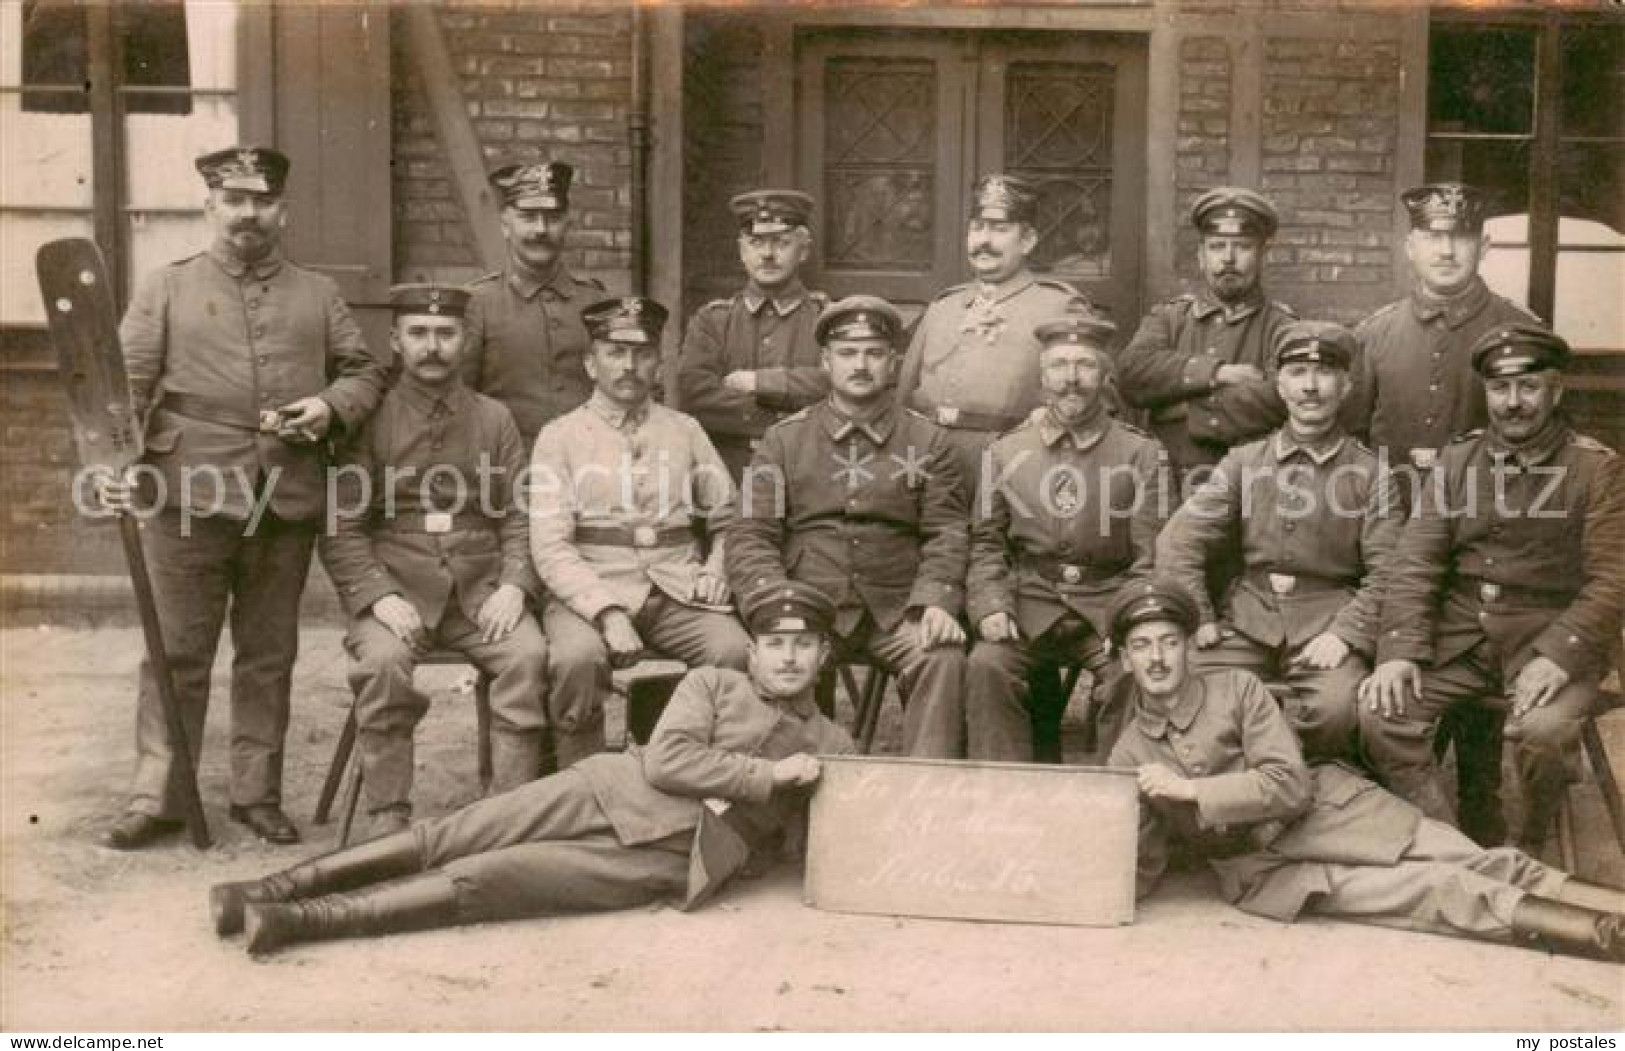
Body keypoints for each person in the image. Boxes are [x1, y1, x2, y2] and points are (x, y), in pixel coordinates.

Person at [208, 581, 857, 955]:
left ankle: (300, 922)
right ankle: (269, 888)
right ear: (753, 649)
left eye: (803, 645)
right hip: (607, 789)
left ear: (824, 654)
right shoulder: (713, 682)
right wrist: (768, 778)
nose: (789, 657)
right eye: (776, 643)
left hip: (673, 856)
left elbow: (846, 830)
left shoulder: (834, 741)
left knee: (489, 878)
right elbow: (667, 759)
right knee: (458, 832)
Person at [94, 145, 388, 849]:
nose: (247, 214)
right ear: (210, 207)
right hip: (186, 491)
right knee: (176, 650)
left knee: (267, 653)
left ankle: (256, 795)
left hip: (284, 493)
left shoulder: (317, 293)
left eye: (261, 201)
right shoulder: (165, 287)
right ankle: (158, 794)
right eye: (234, 200)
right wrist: (112, 462)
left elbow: (364, 372)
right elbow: (122, 389)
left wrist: (326, 405)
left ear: (281, 211)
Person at [1107, 580, 1625, 963]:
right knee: (1436, 892)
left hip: (1329, 813)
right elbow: (1140, 855)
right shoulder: (1129, 755)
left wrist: (1191, 790)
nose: (1157, 659)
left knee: (1481, 860)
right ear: (1126, 660)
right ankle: (1606, 939)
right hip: (1269, 869)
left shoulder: (1238, 689)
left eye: (1169, 642)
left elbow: (1289, 786)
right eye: (1142, 646)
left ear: (1188, 647)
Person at [1361, 323, 1625, 851]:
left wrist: (1558, 656)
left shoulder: (1596, 468)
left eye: (1528, 387)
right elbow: (1416, 562)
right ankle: (1451, 846)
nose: (1513, 402)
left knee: (1544, 735)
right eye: (1500, 388)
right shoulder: (1458, 461)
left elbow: (1612, 580)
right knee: (1379, 714)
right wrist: (1399, 651)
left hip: (1549, 643)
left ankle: (1524, 848)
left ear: (1555, 390)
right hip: (1460, 640)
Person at [1344, 182, 1539, 845]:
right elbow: (1352, 448)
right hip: (1396, 537)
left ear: (1481, 245)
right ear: (1410, 246)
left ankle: (1479, 795)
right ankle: (1411, 816)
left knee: (1476, 660)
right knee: (1398, 670)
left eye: (1459, 237)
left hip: (1489, 540)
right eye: (1433, 236)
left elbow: (1537, 448)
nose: (1446, 249)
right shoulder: (1373, 335)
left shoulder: (1518, 331)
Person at [319, 285, 548, 835]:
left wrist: (515, 585)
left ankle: (505, 814)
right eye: (418, 333)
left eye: (445, 334)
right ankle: (388, 816)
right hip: (397, 586)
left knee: (527, 656)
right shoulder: (368, 419)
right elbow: (341, 525)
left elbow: (519, 512)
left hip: (479, 589)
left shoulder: (494, 418)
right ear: (395, 342)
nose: (432, 346)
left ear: (465, 341)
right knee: (381, 664)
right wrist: (378, 596)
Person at [728, 296, 971, 758]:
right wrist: (776, 602)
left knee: (942, 659)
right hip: (806, 600)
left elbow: (948, 531)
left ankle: (927, 797)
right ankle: (794, 792)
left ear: (894, 362)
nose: (861, 365)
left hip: (898, 608)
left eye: (875, 352)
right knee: (783, 662)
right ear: (826, 361)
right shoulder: (785, 439)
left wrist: (935, 601)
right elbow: (751, 533)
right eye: (847, 353)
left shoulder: (928, 440)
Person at [1155, 321, 1398, 762]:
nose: (1310, 387)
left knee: (1336, 709)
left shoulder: (1372, 473)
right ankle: (1218, 800)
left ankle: (1313, 797)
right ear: (1281, 385)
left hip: (1326, 624)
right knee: (1179, 680)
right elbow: (1181, 539)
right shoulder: (1246, 461)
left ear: (1345, 386)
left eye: (1324, 374)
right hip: (1248, 619)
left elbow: (1389, 572)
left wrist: (1346, 634)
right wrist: (1198, 616)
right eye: (1297, 373)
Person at [529, 296, 750, 769]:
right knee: (576, 661)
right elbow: (550, 546)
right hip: (589, 590)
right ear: (591, 364)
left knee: (732, 651)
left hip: (676, 586)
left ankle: (702, 775)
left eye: (643, 353)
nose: (629, 365)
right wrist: (607, 612)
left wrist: (717, 568)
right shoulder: (560, 436)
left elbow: (730, 516)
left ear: (659, 363)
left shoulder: (685, 430)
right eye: (614, 352)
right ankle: (581, 787)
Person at [963, 312, 1169, 762]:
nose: (1071, 380)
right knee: (987, 665)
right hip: (1029, 599)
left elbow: (1150, 556)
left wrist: (1133, 618)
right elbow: (986, 542)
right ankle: (1005, 793)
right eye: (1059, 366)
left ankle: (1110, 796)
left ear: (1106, 374)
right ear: (1042, 375)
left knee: (1131, 672)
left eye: (1085, 365)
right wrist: (992, 606)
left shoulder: (1141, 453)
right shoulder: (1004, 451)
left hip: (1108, 604)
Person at [895, 173, 1088, 493]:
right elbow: (904, 395)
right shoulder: (944, 306)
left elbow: (1090, 400)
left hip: (1013, 466)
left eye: (1000, 229)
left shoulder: (1060, 307)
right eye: (977, 227)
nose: (984, 240)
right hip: (929, 463)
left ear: (1027, 241)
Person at [1117, 187, 1295, 490]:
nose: (1228, 258)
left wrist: (1183, 408)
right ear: (1201, 256)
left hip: (1250, 492)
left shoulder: (1282, 327)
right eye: (1216, 247)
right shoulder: (1169, 318)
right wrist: (1217, 373)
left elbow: (1280, 400)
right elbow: (1131, 373)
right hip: (1168, 487)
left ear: (1263, 254)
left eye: (1241, 247)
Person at [676, 189, 830, 479]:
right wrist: (790, 411)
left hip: (808, 470)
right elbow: (695, 396)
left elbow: (837, 386)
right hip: (727, 470)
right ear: (741, 250)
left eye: (781, 243)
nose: (768, 255)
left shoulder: (827, 318)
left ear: (804, 251)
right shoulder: (712, 321)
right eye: (756, 242)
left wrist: (760, 382)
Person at [463, 161, 605, 447]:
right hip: (506, 471)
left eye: (552, 217)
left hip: (587, 468)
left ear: (567, 223)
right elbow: (460, 402)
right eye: (528, 217)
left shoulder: (597, 304)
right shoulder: (477, 304)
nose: (541, 229)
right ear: (505, 224)